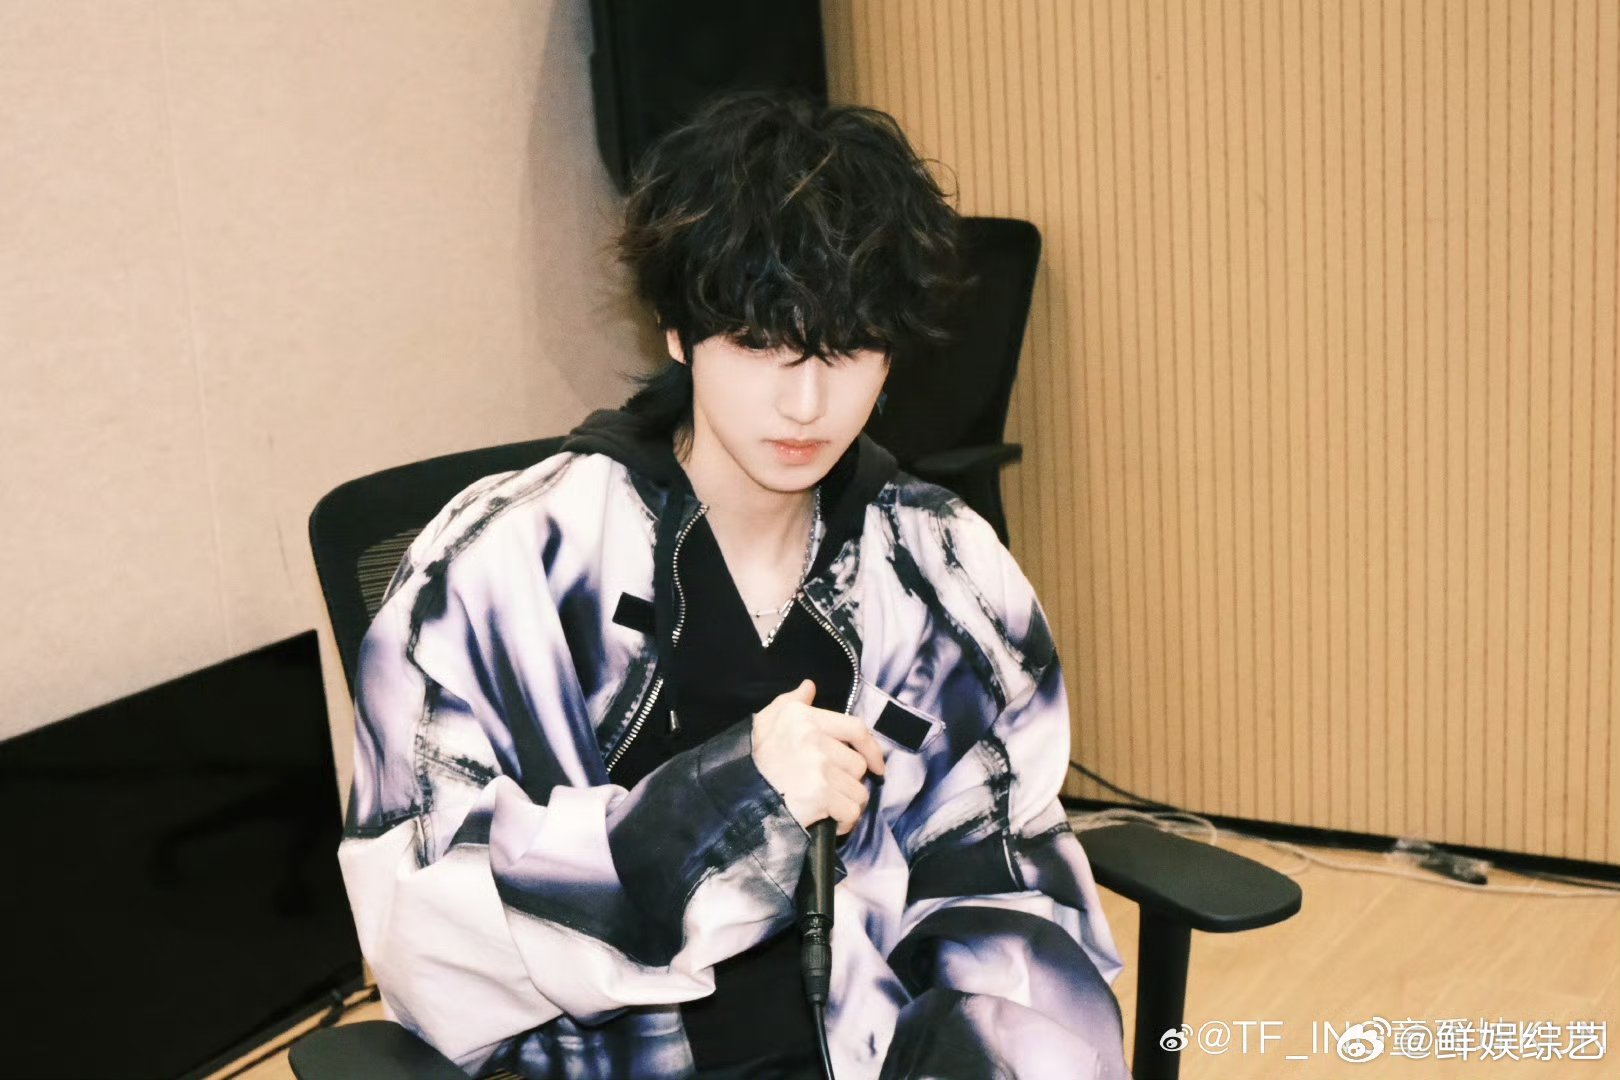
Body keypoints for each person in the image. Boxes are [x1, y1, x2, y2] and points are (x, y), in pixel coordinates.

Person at [339, 91, 1130, 1080]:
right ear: (677, 330)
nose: (806, 402)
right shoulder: (502, 566)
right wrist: (724, 801)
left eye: (847, 349)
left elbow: (1010, 879)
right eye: (759, 343)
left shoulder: (945, 572)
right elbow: (423, 939)